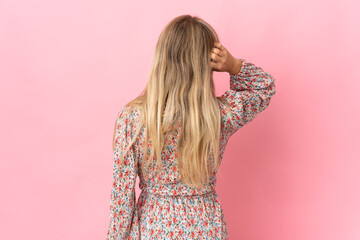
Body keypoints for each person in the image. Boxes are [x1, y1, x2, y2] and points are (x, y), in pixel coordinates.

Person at [105, 14, 276, 239]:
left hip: (154, 228)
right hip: (206, 227)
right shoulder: (219, 115)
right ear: (207, 66)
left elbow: (122, 200)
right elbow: (263, 88)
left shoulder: (133, 119)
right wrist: (234, 66)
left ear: (161, 59)